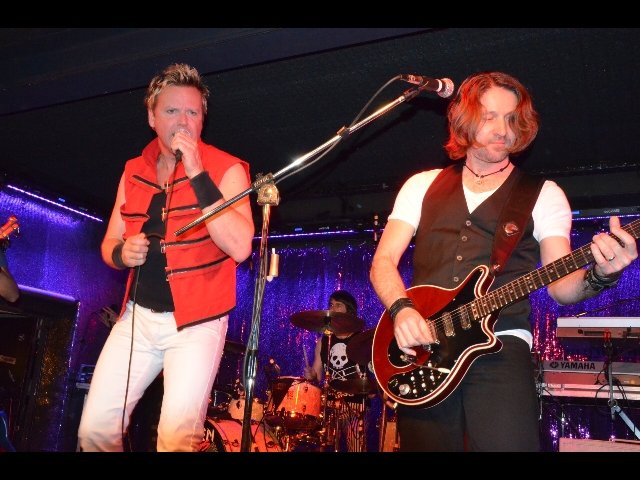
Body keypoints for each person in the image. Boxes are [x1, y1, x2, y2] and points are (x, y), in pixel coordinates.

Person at [369, 71, 638, 452]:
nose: (503, 130)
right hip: (424, 350)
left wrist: (601, 276)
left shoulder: (543, 194)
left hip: (501, 346)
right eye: (490, 116)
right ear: (464, 119)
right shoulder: (421, 185)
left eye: (512, 119)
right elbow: (383, 261)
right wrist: (401, 310)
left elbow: (561, 288)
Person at [77, 63, 254, 452]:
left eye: (193, 112)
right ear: (152, 117)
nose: (183, 121)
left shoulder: (227, 169)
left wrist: (197, 172)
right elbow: (109, 244)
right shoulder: (133, 170)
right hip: (138, 318)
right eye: (172, 110)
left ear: (203, 119)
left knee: (176, 439)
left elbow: (241, 246)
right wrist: (123, 253)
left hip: (198, 323)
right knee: (94, 431)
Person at [303, 290, 370, 452]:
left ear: (349, 311)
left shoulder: (362, 340)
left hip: (356, 404)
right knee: (322, 446)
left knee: (356, 449)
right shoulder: (324, 341)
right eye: (331, 305)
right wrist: (312, 375)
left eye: (338, 305)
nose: (332, 308)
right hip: (330, 404)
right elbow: (317, 375)